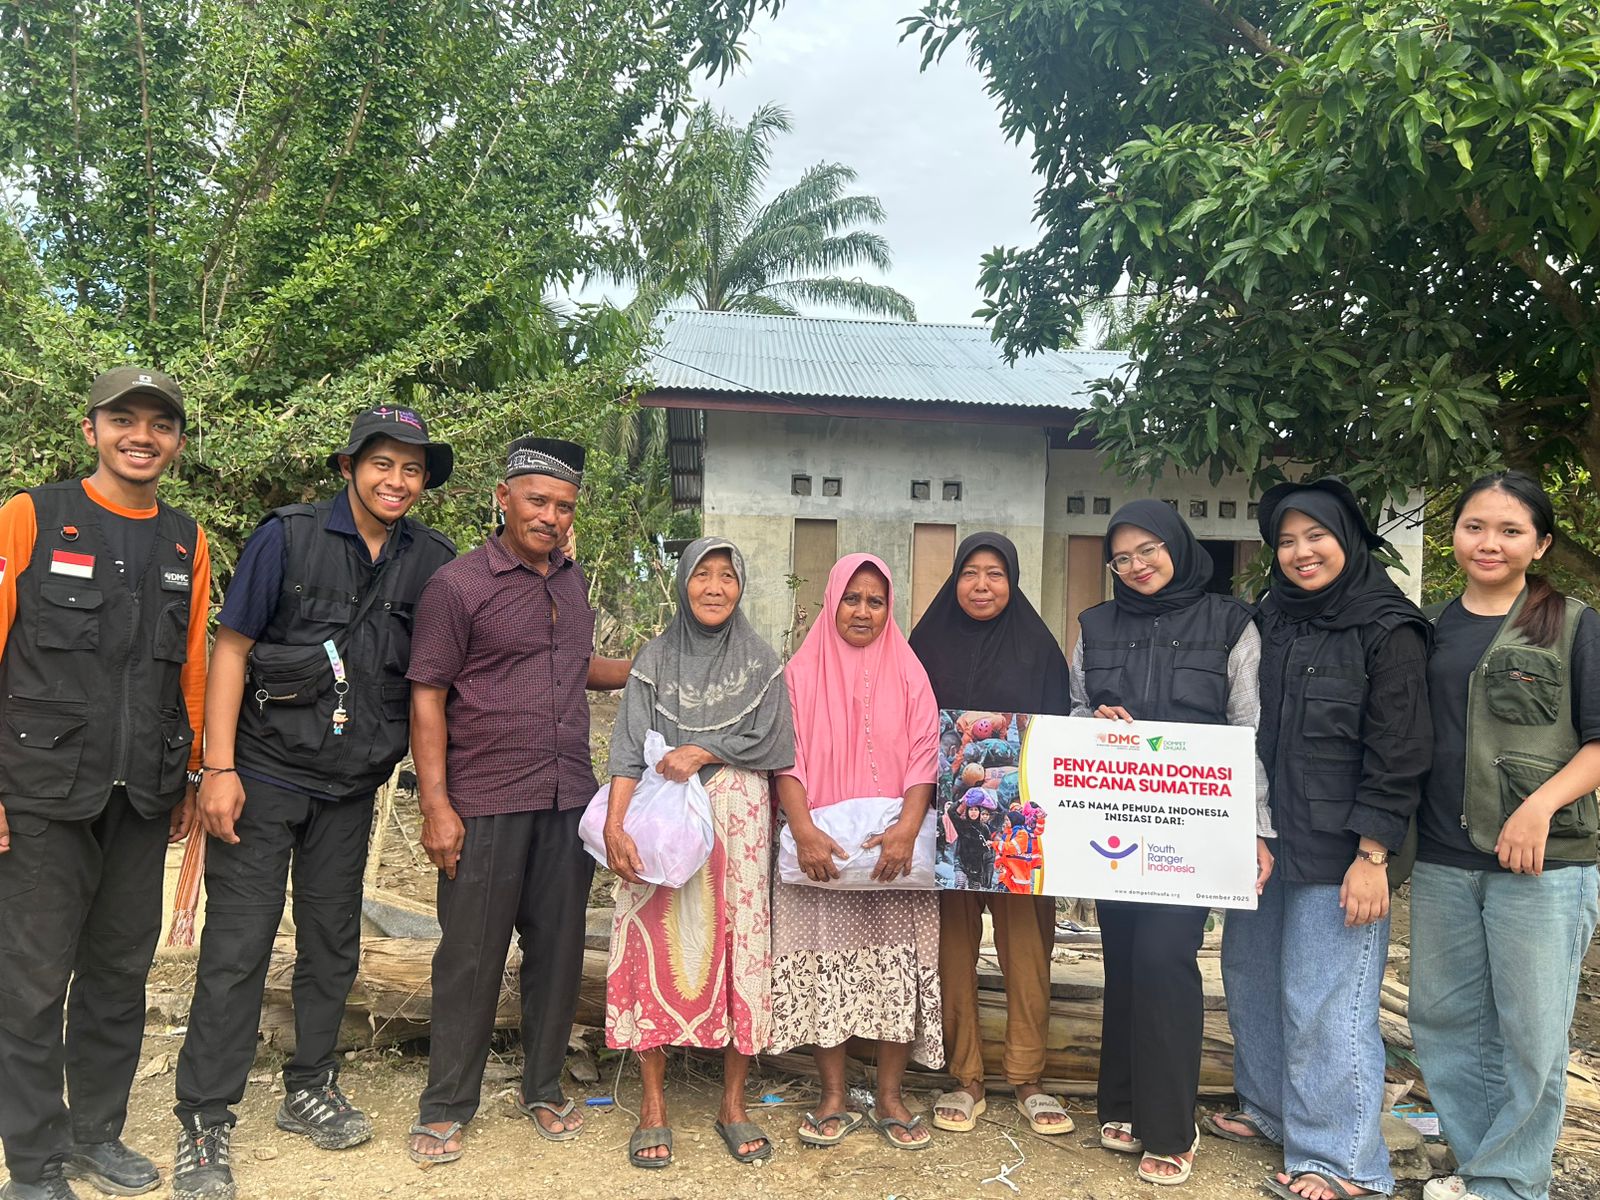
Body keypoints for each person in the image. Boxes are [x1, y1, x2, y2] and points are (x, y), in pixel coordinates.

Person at [173, 406, 456, 1200]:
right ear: (348, 468)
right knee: (238, 949)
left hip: (350, 789)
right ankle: (204, 1121)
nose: (396, 481)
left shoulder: (432, 560)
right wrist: (215, 768)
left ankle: (310, 1086)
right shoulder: (288, 537)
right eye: (382, 464)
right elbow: (231, 648)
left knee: (332, 942)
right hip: (261, 777)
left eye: (412, 469)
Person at [0, 367, 209, 1200]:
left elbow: (189, 670)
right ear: (91, 429)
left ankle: (97, 1136)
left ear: (178, 443)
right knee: (30, 980)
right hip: (42, 793)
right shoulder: (30, 516)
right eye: (124, 419)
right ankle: (35, 1161)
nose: (141, 436)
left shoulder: (186, 540)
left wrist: (192, 772)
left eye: (160, 424)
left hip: (142, 796)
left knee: (119, 976)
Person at [405, 436, 630, 1165]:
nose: (551, 517)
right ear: (503, 498)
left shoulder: (570, 581)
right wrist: (436, 806)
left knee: (559, 952)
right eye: (537, 501)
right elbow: (428, 696)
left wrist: (647, 668)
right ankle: (445, 1106)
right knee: (470, 956)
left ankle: (543, 1086)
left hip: (568, 797)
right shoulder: (459, 585)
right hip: (486, 797)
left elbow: (573, 666)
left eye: (564, 506)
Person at [1212, 478, 1432, 1200]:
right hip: (1267, 839)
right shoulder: (1270, 618)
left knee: (1327, 1000)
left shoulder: (1388, 628)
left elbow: (1400, 750)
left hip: (1342, 849)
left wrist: (1374, 854)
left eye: (1316, 536)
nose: (1301, 552)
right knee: (1250, 980)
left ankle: (1344, 1163)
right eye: (1286, 540)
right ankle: (1273, 1111)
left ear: (1350, 537)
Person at [1070, 499, 1275, 1186]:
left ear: (1178, 547)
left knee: (1165, 958)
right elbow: (1073, 710)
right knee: (1125, 958)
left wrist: (1255, 829)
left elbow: (1250, 730)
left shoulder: (1230, 622)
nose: (1136, 566)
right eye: (1122, 557)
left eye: (1148, 549)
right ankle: (1122, 1102)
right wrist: (1093, 718)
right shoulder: (1095, 625)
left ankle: (1170, 1122)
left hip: (1196, 831)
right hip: (1117, 825)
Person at [1408, 471, 1600, 1200]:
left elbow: (1597, 742)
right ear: (1454, 534)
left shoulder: (1574, 624)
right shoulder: (1427, 628)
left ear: (1541, 543)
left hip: (1542, 865)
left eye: (1511, 530)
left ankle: (1512, 1184)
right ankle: (1483, 1162)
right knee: (1445, 1018)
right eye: (1475, 527)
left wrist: (1539, 807)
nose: (1489, 543)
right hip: (1443, 859)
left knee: (1532, 1031)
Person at [603, 537, 793, 1169]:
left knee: (742, 944)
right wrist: (615, 822)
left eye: (727, 577)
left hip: (737, 825)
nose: (715, 588)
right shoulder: (654, 659)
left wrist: (706, 752)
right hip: (659, 822)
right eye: (703, 575)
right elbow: (630, 747)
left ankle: (732, 1104)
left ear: (740, 587)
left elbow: (774, 745)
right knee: (648, 940)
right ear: (684, 583)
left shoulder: (763, 660)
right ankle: (653, 1105)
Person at [770, 554, 942, 1152]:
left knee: (896, 967)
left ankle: (891, 1096)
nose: (863, 611)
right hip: (823, 848)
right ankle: (834, 1095)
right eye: (852, 598)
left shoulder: (910, 670)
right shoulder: (798, 671)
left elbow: (925, 754)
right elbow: (783, 755)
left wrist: (906, 828)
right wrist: (803, 829)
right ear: (832, 601)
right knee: (827, 968)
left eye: (875, 600)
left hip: (895, 849)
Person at [908, 533, 1076, 1137]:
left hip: (1020, 831)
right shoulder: (925, 644)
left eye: (996, 574)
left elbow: (1062, 737)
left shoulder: (1039, 649)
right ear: (954, 581)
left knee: (1027, 948)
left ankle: (1029, 1077)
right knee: (952, 947)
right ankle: (966, 1077)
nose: (982, 585)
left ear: (1013, 581)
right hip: (947, 832)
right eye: (971, 574)